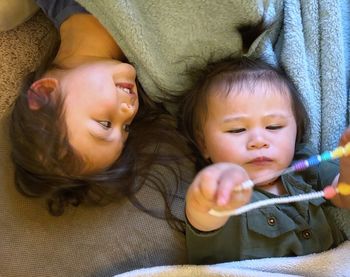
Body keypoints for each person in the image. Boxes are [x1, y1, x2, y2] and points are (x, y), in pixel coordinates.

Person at [9, 0, 190, 230]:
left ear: (45, 93)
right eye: (125, 128)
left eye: (105, 124)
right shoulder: (165, 72)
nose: (129, 112)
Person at [179, 56, 350, 264]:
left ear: (296, 132)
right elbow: (203, 213)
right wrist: (211, 193)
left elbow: (345, 195)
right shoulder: (220, 194)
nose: (258, 141)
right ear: (203, 143)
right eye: (237, 130)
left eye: (274, 127)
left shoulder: (307, 167)